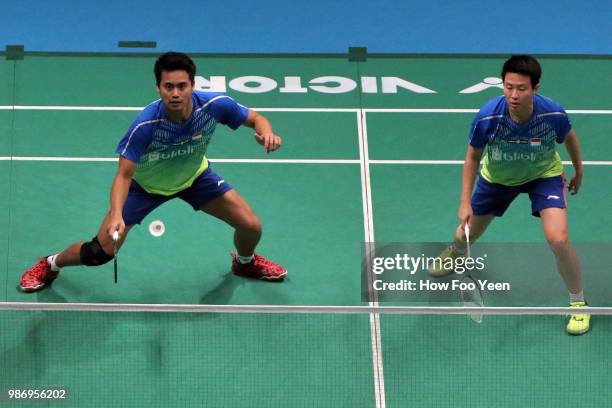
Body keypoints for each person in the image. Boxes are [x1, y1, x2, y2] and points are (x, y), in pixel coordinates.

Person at [20, 52, 287, 292]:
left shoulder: (214, 105)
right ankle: (51, 263)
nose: (175, 93)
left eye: (182, 86)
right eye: (168, 86)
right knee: (99, 252)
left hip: (194, 178)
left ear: (193, 85)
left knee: (251, 226)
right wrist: (116, 214)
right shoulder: (146, 125)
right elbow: (123, 175)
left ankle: (244, 263)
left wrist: (266, 133)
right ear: (158, 87)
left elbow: (255, 118)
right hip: (145, 188)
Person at [428, 55, 589, 335]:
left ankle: (579, 303)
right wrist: (465, 201)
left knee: (559, 240)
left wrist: (578, 170)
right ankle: (456, 252)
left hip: (544, 176)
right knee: (464, 233)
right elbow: (472, 158)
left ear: (535, 88)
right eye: (508, 87)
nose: (514, 95)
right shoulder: (489, 115)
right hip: (497, 180)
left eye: (521, 88)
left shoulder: (552, 113)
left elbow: (570, 138)